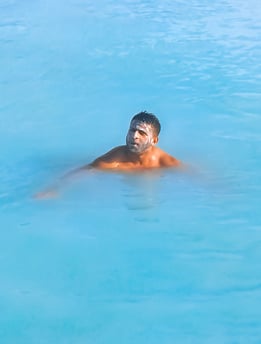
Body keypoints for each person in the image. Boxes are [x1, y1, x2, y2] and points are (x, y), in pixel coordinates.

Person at [35, 111, 181, 198]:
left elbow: (192, 176)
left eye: (142, 133)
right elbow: (86, 171)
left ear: (154, 140)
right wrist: (55, 189)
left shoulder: (165, 162)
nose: (134, 136)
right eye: (132, 130)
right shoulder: (116, 158)